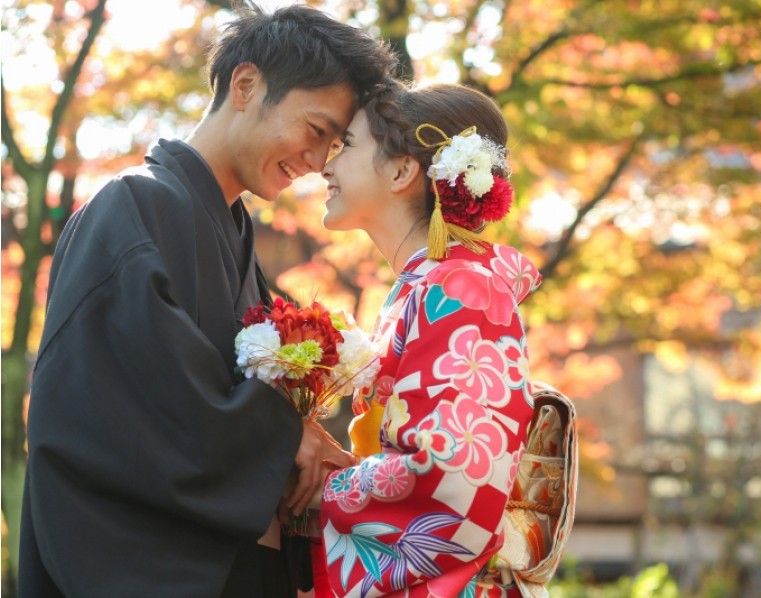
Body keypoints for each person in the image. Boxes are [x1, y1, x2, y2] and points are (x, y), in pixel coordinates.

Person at [18, 5, 395, 597]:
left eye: (334, 145)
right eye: (316, 131)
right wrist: (282, 436)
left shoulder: (233, 233)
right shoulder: (131, 208)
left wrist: (297, 438)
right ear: (246, 86)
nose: (318, 162)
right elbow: (128, 404)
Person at [314, 82, 544, 596]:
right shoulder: (432, 284)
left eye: (346, 145)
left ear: (401, 171)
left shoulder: (463, 288)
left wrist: (319, 490)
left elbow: (457, 471)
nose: (324, 166)